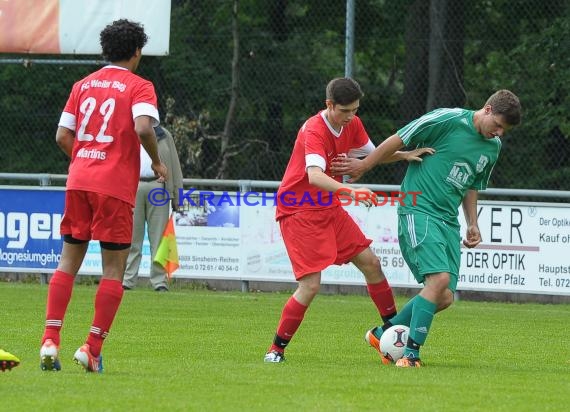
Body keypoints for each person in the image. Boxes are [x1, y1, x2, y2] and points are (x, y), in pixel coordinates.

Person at [331, 89, 522, 367]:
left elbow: (471, 184)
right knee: (439, 281)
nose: (499, 133)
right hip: (418, 210)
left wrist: (472, 223)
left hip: (448, 221)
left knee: (443, 297)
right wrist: (364, 165)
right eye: (498, 126)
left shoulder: (492, 147)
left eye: (505, 130)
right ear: (488, 110)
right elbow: (400, 138)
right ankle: (410, 355)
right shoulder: (447, 120)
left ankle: (382, 333)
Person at [264, 77, 433, 363]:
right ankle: (276, 350)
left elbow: (373, 154)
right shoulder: (314, 130)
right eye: (345, 111)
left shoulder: (352, 124)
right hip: (299, 211)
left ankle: (390, 333)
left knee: (371, 263)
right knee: (311, 285)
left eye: (355, 109)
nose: (351, 116)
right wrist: (351, 192)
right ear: (329, 105)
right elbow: (314, 176)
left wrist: (405, 155)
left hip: (328, 208)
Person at [39, 19, 168, 373]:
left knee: (68, 261)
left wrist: (86, 162)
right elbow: (144, 127)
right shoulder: (140, 86)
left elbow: (62, 135)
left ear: (105, 50)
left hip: (79, 181)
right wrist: (156, 162)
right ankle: (92, 348)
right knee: (113, 270)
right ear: (137, 51)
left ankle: (50, 342)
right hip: (113, 188)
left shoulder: (82, 85)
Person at [122, 125, 183, 292]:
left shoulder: (164, 135)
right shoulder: (126, 131)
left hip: (159, 187)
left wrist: (178, 196)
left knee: (160, 239)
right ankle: (127, 280)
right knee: (131, 237)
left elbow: (175, 167)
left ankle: (159, 281)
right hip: (131, 186)